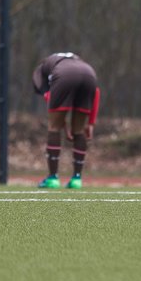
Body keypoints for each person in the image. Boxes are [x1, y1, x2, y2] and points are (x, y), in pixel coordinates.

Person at [33, 52, 101, 189]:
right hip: (89, 74)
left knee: (53, 127)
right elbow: (96, 93)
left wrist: (61, 122)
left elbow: (48, 96)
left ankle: (52, 178)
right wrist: (91, 123)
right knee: (79, 130)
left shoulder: (40, 71)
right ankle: (77, 179)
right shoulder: (78, 62)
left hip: (64, 75)